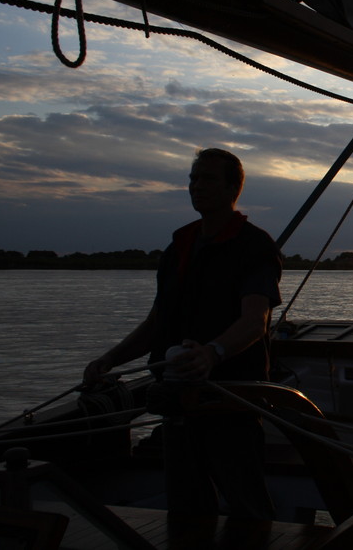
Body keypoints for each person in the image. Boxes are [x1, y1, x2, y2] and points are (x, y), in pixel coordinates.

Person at [83, 148, 282, 519]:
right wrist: (110, 359)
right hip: (177, 398)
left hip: (229, 399)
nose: (196, 187)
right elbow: (157, 322)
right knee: (186, 507)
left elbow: (256, 320)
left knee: (247, 505)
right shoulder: (179, 246)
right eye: (193, 179)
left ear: (232, 188)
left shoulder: (254, 246)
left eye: (207, 179)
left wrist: (213, 353)